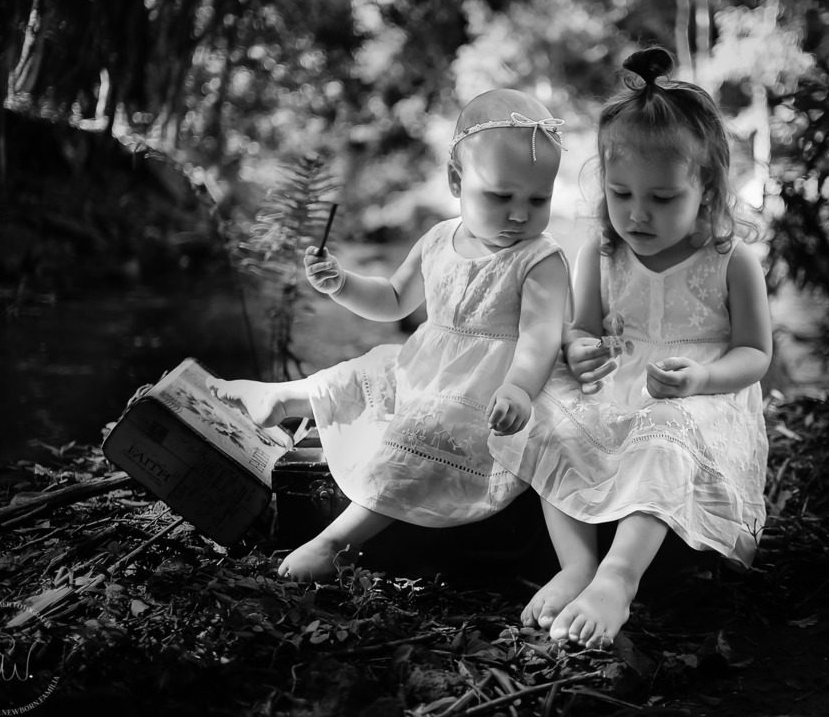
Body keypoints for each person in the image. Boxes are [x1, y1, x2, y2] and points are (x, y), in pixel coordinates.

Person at [207, 88, 571, 582]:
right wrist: (342, 285)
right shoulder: (439, 238)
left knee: (425, 432)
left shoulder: (539, 259)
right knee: (372, 368)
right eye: (501, 196)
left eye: (538, 199)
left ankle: (336, 541)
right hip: (428, 367)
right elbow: (394, 298)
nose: (520, 214)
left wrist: (519, 388)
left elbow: (541, 335)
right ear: (456, 181)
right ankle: (284, 398)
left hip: (491, 388)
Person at [490, 47, 772, 648]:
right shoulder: (600, 253)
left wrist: (701, 378)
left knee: (665, 427)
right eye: (621, 194)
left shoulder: (731, 261)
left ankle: (618, 577)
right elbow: (581, 328)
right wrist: (579, 348)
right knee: (545, 411)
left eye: (662, 199)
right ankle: (577, 565)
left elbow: (755, 354)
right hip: (617, 390)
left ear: (707, 188)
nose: (637, 215)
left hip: (699, 400)